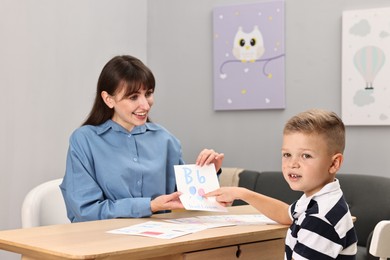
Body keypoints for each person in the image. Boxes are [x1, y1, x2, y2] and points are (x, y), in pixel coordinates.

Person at [60, 55, 224, 222]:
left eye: (149, 94)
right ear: (108, 99)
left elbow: (186, 200)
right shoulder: (84, 140)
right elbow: (85, 211)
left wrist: (209, 172)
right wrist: (150, 206)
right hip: (103, 240)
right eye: (133, 97)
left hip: (159, 239)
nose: (146, 105)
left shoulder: (165, 140)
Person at [205, 109, 357, 260]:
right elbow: (285, 214)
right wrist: (242, 193)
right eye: (287, 154)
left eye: (306, 156)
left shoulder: (320, 220)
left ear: (334, 163)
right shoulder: (320, 200)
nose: (292, 164)